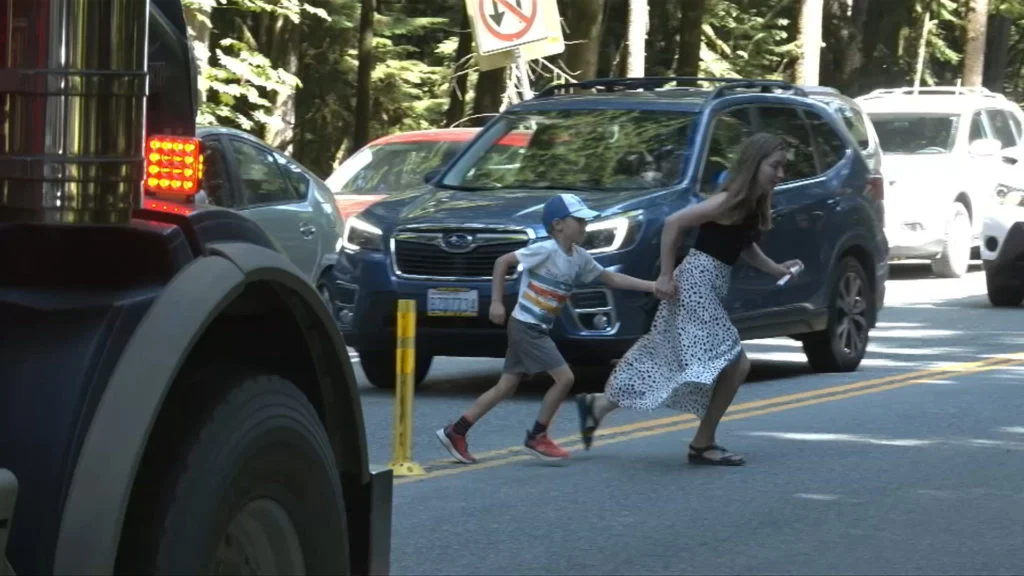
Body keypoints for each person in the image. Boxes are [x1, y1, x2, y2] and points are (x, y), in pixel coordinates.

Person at [574, 132, 803, 466]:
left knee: (665, 356)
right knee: (737, 364)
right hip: (694, 284)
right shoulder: (726, 201)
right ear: (755, 164)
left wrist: (775, 269)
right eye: (775, 166)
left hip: (705, 286)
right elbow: (673, 223)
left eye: (784, 167)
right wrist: (665, 276)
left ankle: (598, 405)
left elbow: (744, 246)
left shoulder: (749, 205)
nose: (781, 174)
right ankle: (702, 443)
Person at [436, 194, 658, 463]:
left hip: (533, 328)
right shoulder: (545, 250)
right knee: (564, 378)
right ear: (558, 225)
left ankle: (456, 431)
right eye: (579, 221)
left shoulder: (579, 258)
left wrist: (652, 286)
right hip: (526, 326)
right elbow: (502, 262)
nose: (584, 226)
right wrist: (496, 302)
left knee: (505, 386)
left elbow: (611, 277)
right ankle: (537, 437)